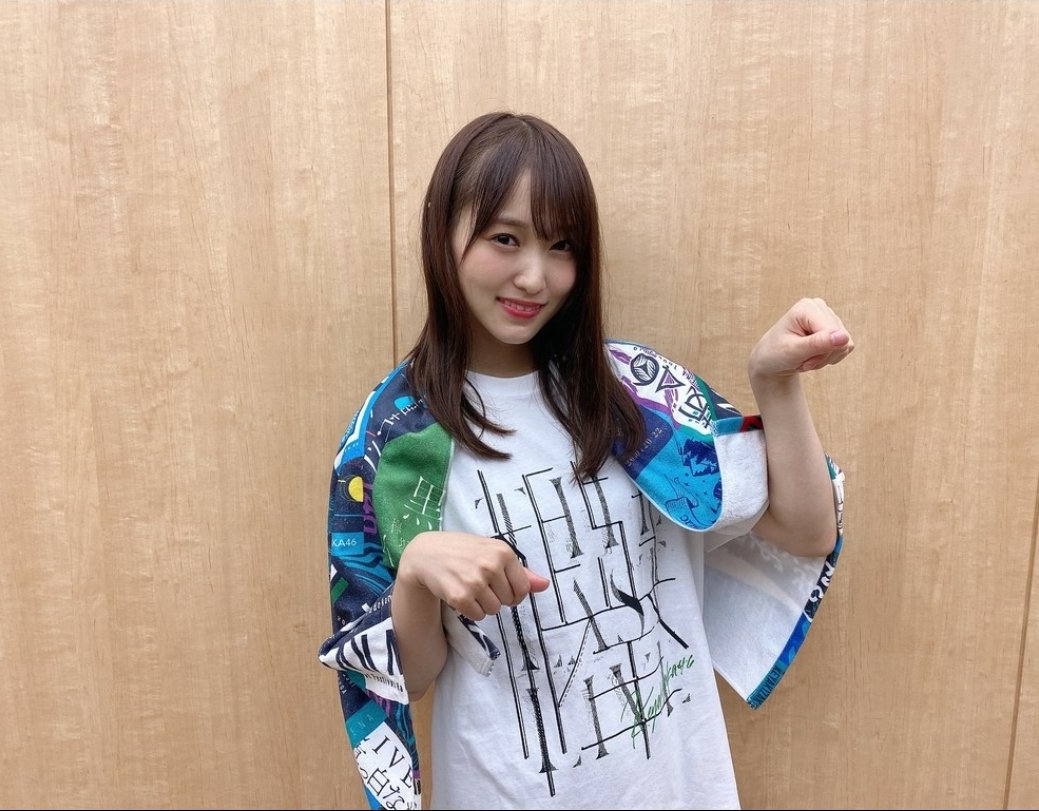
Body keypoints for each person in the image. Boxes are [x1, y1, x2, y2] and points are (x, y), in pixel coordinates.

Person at [319, 111, 852, 811]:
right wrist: (416, 570)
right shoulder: (392, 438)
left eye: (561, 245)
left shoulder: (636, 392)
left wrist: (773, 383)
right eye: (505, 238)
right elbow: (408, 678)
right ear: (442, 232)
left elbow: (807, 531)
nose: (534, 276)